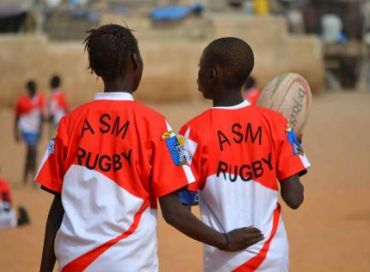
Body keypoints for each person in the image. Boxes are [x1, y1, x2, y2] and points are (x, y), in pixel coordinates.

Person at [34, 25, 264, 272]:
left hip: (74, 262)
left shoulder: (68, 124)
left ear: (95, 69)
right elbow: (174, 212)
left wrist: (45, 268)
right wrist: (225, 240)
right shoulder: (160, 127)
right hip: (129, 263)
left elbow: (58, 206)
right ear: (136, 62)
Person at [179, 37, 310, 272]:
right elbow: (294, 198)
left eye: (200, 68)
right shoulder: (277, 124)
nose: (197, 74)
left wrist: (224, 240)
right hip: (273, 256)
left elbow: (179, 210)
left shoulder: (192, 133)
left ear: (211, 74)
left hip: (225, 261)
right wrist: (296, 146)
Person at [14, 80, 45, 185]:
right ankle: (32, 177)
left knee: (30, 153)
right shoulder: (22, 101)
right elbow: (17, 117)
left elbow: (41, 118)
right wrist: (16, 132)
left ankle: (26, 176)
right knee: (32, 150)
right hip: (26, 129)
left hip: (35, 130)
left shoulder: (40, 99)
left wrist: (40, 131)